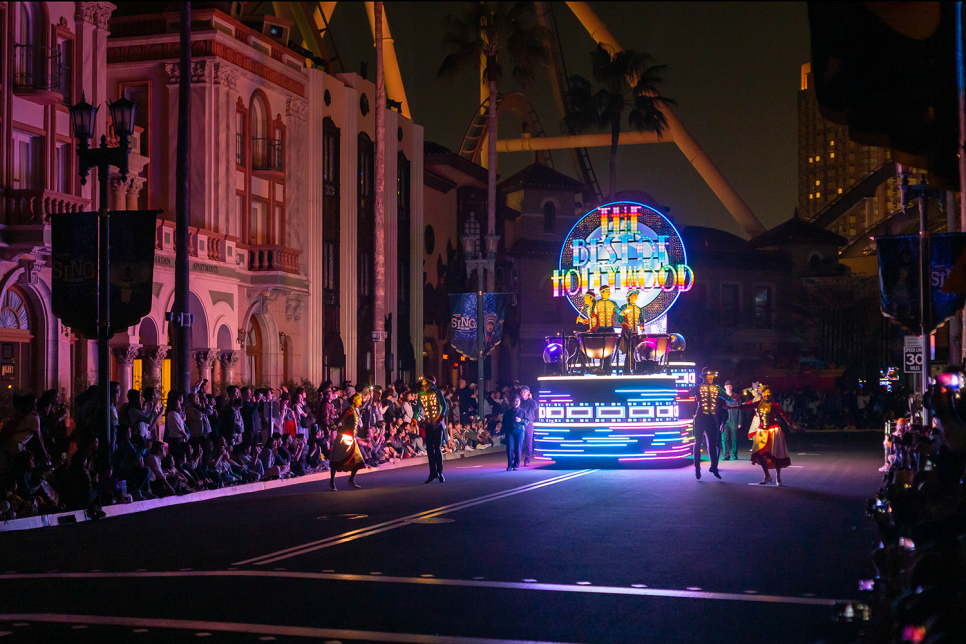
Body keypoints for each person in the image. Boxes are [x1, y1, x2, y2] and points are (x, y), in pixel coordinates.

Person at [736, 385, 794, 485]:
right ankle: (767, 475)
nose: (767, 394)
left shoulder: (775, 404)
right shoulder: (759, 403)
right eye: (765, 392)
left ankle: (778, 478)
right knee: (761, 453)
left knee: (776, 453)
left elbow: (784, 415)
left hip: (774, 431)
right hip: (762, 432)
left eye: (769, 392)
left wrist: (792, 424)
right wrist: (732, 406)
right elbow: (746, 406)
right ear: (762, 394)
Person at [692, 367, 732, 480]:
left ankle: (714, 467)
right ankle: (697, 468)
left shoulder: (717, 388)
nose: (710, 377)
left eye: (712, 375)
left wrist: (735, 398)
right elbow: (687, 393)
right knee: (698, 443)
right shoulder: (698, 387)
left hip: (711, 418)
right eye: (708, 375)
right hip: (700, 417)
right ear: (704, 376)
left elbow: (727, 398)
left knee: (713, 444)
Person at [413, 375, 448, 483]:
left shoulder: (437, 393)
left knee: (437, 448)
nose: (423, 385)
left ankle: (440, 472)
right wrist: (414, 420)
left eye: (425, 383)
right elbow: (417, 409)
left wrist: (438, 420)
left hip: (437, 425)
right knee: (429, 449)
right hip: (428, 424)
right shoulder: (421, 395)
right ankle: (432, 472)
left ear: (430, 384)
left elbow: (444, 407)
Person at [329, 393, 365, 490]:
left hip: (351, 438)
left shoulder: (356, 411)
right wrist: (336, 426)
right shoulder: (349, 410)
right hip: (344, 438)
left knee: (358, 460)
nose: (361, 401)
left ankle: (351, 480)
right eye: (359, 400)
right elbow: (340, 420)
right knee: (338, 459)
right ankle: (332, 481)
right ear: (354, 400)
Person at [619, 288, 644, 374]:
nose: (635, 296)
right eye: (633, 295)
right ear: (629, 297)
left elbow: (641, 320)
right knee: (629, 350)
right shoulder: (624, 307)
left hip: (635, 332)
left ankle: (632, 368)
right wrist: (626, 327)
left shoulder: (638, 309)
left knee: (635, 350)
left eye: (636, 295)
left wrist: (641, 327)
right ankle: (628, 369)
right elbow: (620, 319)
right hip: (627, 332)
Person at [503, 395, 527, 470]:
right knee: (509, 447)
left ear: (520, 402)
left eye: (518, 401)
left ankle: (516, 464)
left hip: (519, 431)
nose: (516, 402)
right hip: (510, 431)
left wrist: (521, 420)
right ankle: (510, 464)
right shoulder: (508, 412)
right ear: (512, 402)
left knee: (518, 448)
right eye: (514, 401)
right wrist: (503, 432)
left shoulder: (523, 411)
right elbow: (504, 423)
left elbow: (527, 421)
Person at [518, 385, 538, 466]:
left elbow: (535, 407)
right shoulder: (519, 401)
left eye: (524, 392)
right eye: (521, 392)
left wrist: (530, 398)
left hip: (529, 424)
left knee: (528, 443)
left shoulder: (531, 402)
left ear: (528, 393)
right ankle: (516, 459)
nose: (522, 393)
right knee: (519, 442)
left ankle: (527, 459)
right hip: (520, 423)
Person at [720, 381, 741, 461]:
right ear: (724, 387)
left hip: (734, 419)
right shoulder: (721, 397)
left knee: (734, 437)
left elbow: (740, 409)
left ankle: (734, 454)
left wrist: (740, 421)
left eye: (730, 385)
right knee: (724, 438)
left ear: (732, 387)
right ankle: (726, 455)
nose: (728, 387)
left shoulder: (736, 396)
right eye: (727, 386)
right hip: (724, 420)